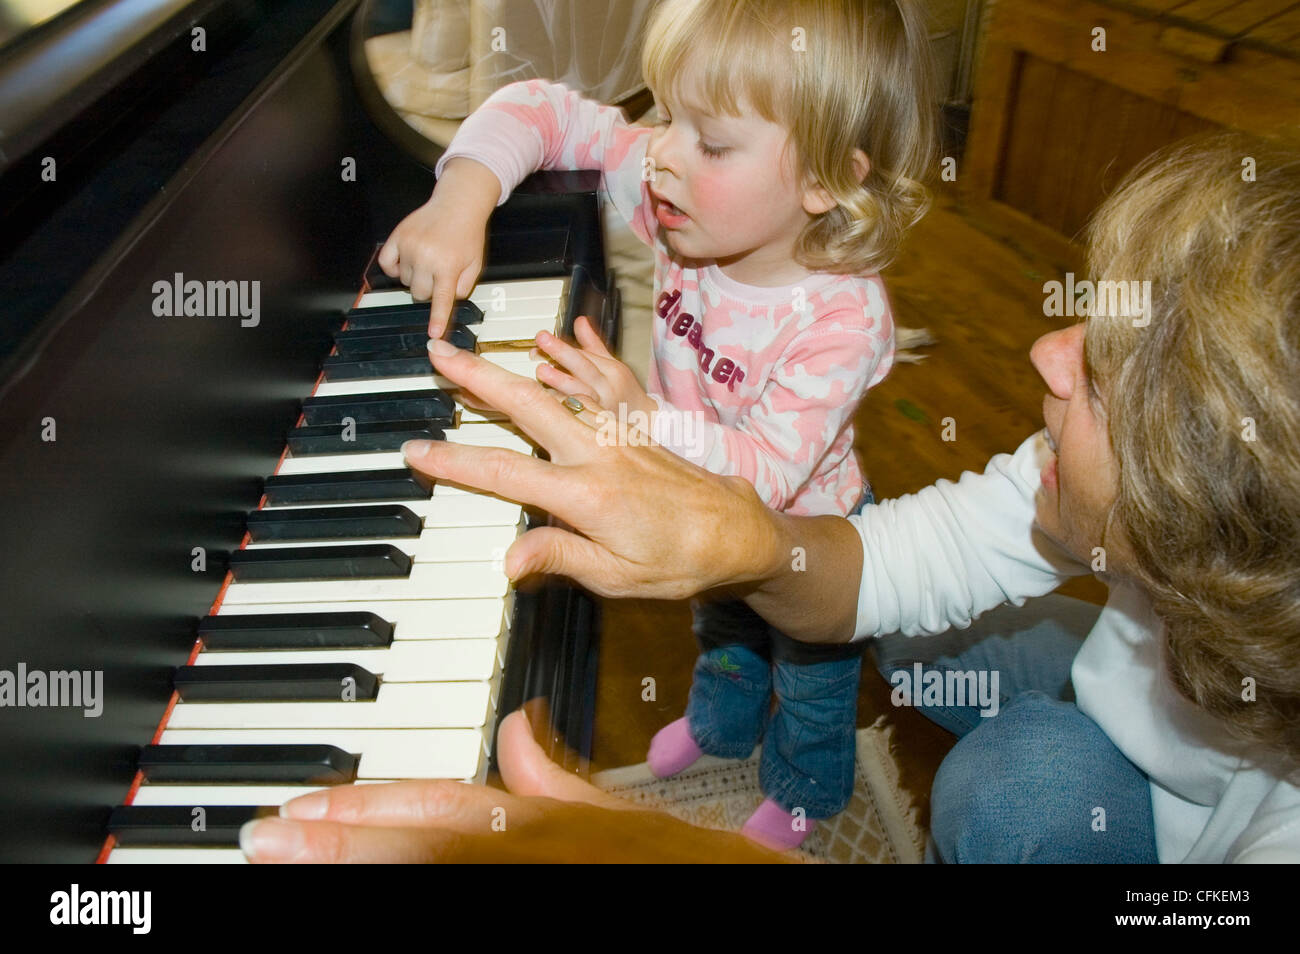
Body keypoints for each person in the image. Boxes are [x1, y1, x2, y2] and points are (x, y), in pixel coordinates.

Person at [241, 136, 1300, 864]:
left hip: (1213, 803)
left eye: (1105, 380)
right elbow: (906, 560)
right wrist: (745, 542)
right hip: (1147, 663)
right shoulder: (1178, 520)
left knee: (1016, 775)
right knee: (914, 641)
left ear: (1222, 527)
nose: (1045, 351)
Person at [376, 0, 937, 849]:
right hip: (687, 499)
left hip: (804, 533)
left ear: (825, 181)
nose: (662, 154)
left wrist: (642, 421)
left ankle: (805, 787)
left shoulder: (844, 322)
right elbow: (546, 109)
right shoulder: (685, 199)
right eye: (668, 114)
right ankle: (719, 730)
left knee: (811, 679)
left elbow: (767, 475)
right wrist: (465, 193)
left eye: (710, 142)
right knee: (719, 632)